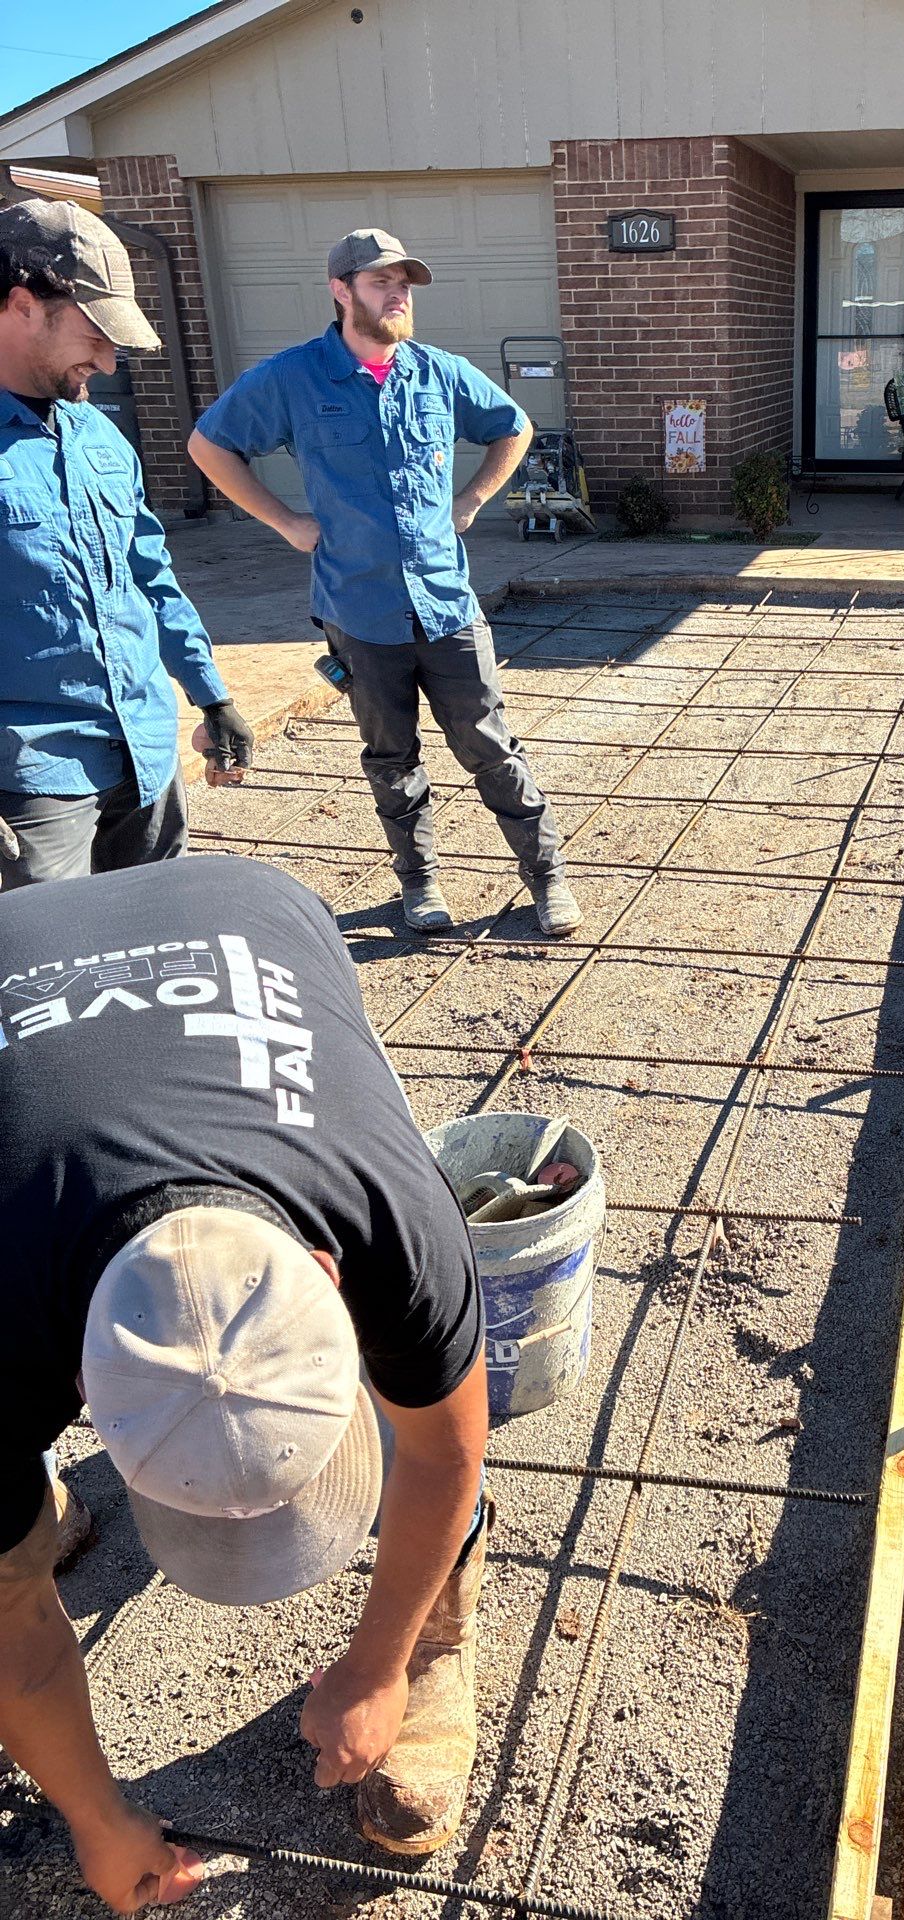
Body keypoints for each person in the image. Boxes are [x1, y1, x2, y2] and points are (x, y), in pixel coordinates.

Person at [0, 853, 492, 1911]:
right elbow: (8, 1626)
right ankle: (30, 1508)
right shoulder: (5, 1323)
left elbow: (445, 1448)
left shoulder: (385, 1217)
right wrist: (96, 1813)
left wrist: (379, 1666)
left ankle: (441, 1642)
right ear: (76, 1378)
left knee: (445, 1378)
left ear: (329, 1277)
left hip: (242, 908)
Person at [188, 227, 581, 939]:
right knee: (392, 759)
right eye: (379, 282)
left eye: (404, 283)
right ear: (341, 291)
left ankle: (547, 877)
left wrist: (472, 500)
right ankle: (419, 884)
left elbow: (513, 427)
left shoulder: (438, 372)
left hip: (445, 604)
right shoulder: (293, 378)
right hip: (359, 609)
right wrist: (286, 522)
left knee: (492, 746)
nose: (397, 294)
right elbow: (208, 445)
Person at [0, 197, 254, 888]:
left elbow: (149, 577)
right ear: (24, 305)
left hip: (143, 749)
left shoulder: (100, 437)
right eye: (96, 332)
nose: (109, 362)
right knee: (43, 970)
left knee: (152, 944)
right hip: (35, 773)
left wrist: (210, 694)